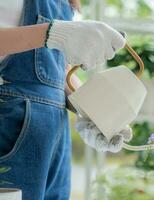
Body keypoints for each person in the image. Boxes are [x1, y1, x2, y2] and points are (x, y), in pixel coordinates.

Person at [0, 0, 132, 199]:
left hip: (55, 135)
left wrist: (91, 110)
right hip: (11, 125)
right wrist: (52, 33)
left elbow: (57, 68)